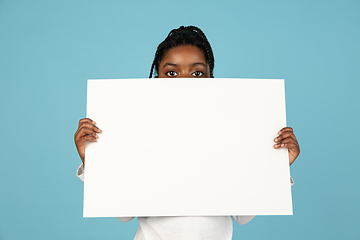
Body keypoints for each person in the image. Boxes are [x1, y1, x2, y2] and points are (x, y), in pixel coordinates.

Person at [74, 26, 300, 240]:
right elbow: (124, 215)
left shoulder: (231, 133)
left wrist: (277, 165)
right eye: (171, 72)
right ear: (156, 79)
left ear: (211, 78)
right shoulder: (139, 131)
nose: (184, 81)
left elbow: (242, 217)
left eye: (197, 73)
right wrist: (93, 160)